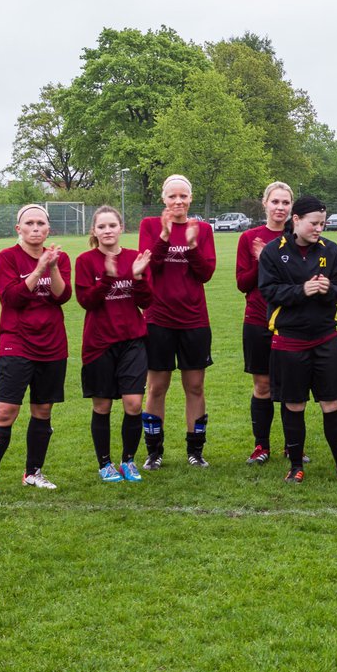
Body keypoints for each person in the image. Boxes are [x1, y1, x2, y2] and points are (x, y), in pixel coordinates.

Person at [0, 204, 72, 498]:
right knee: (5, 410)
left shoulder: (59, 258)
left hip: (53, 344)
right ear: (19, 229)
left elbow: (62, 295)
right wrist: (38, 268)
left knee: (42, 410)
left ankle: (33, 472)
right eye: (30, 223)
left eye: (41, 223)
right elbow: (12, 298)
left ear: (48, 229)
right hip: (17, 342)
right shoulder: (6, 258)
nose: (36, 228)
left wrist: (50, 267)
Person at [258, 195, 337, 483]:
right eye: (314, 223)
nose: (319, 229)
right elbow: (269, 291)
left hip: (326, 338)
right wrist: (303, 290)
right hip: (289, 340)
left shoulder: (332, 250)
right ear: (296, 221)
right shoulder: (273, 252)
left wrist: (328, 288)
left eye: (323, 223)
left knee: (331, 403)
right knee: (294, 405)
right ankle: (295, 465)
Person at [138, 174, 217, 469]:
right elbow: (150, 266)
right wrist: (164, 235)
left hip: (194, 319)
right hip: (158, 318)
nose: (178, 201)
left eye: (183, 196)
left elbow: (206, 273)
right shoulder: (149, 226)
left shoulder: (203, 229)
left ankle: (195, 451)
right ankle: (154, 452)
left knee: (195, 386)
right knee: (156, 387)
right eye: (172, 196)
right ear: (163, 199)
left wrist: (193, 245)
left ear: (191, 198)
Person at [75, 206, 153, 483]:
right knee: (102, 406)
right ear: (94, 231)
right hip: (98, 344)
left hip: (133, 341)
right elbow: (86, 301)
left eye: (112, 225)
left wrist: (139, 275)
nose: (107, 231)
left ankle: (128, 461)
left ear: (121, 227)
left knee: (133, 403)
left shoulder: (135, 258)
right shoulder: (85, 261)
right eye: (102, 227)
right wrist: (107, 277)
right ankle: (105, 464)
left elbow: (145, 301)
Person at [236, 181, 294, 466]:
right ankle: (262, 446)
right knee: (262, 386)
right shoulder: (249, 238)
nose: (280, 207)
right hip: (257, 320)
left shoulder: (299, 236)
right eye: (275, 202)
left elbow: (298, 279)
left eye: (285, 203)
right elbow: (243, 283)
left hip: (291, 321)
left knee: (290, 387)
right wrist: (260, 262)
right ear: (265, 204)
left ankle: (291, 446)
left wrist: (268, 259)